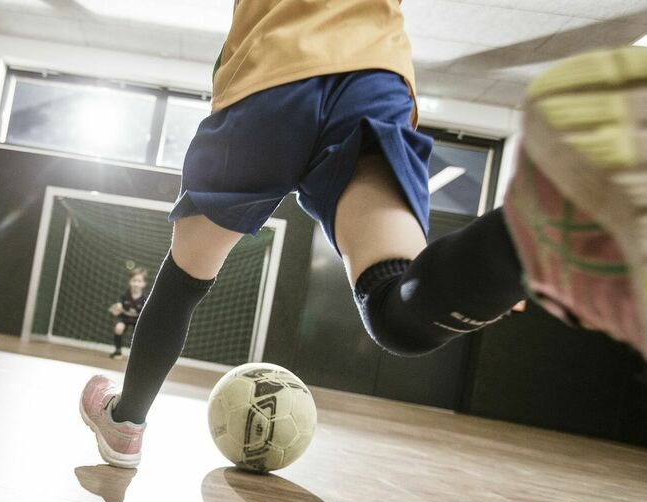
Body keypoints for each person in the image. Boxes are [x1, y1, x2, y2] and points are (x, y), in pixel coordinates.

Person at [80, 0, 647, 469]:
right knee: (396, 307)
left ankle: (126, 422)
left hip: (268, 80)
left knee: (182, 284)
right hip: (371, 78)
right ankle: (531, 234)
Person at [108, 268, 149, 359]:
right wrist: (115, 309)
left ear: (144, 284)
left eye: (139, 281)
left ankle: (138, 354)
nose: (136, 283)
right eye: (134, 280)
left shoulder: (145, 299)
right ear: (130, 281)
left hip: (138, 319)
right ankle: (118, 351)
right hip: (124, 318)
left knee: (141, 334)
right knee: (119, 327)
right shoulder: (124, 296)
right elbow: (115, 310)